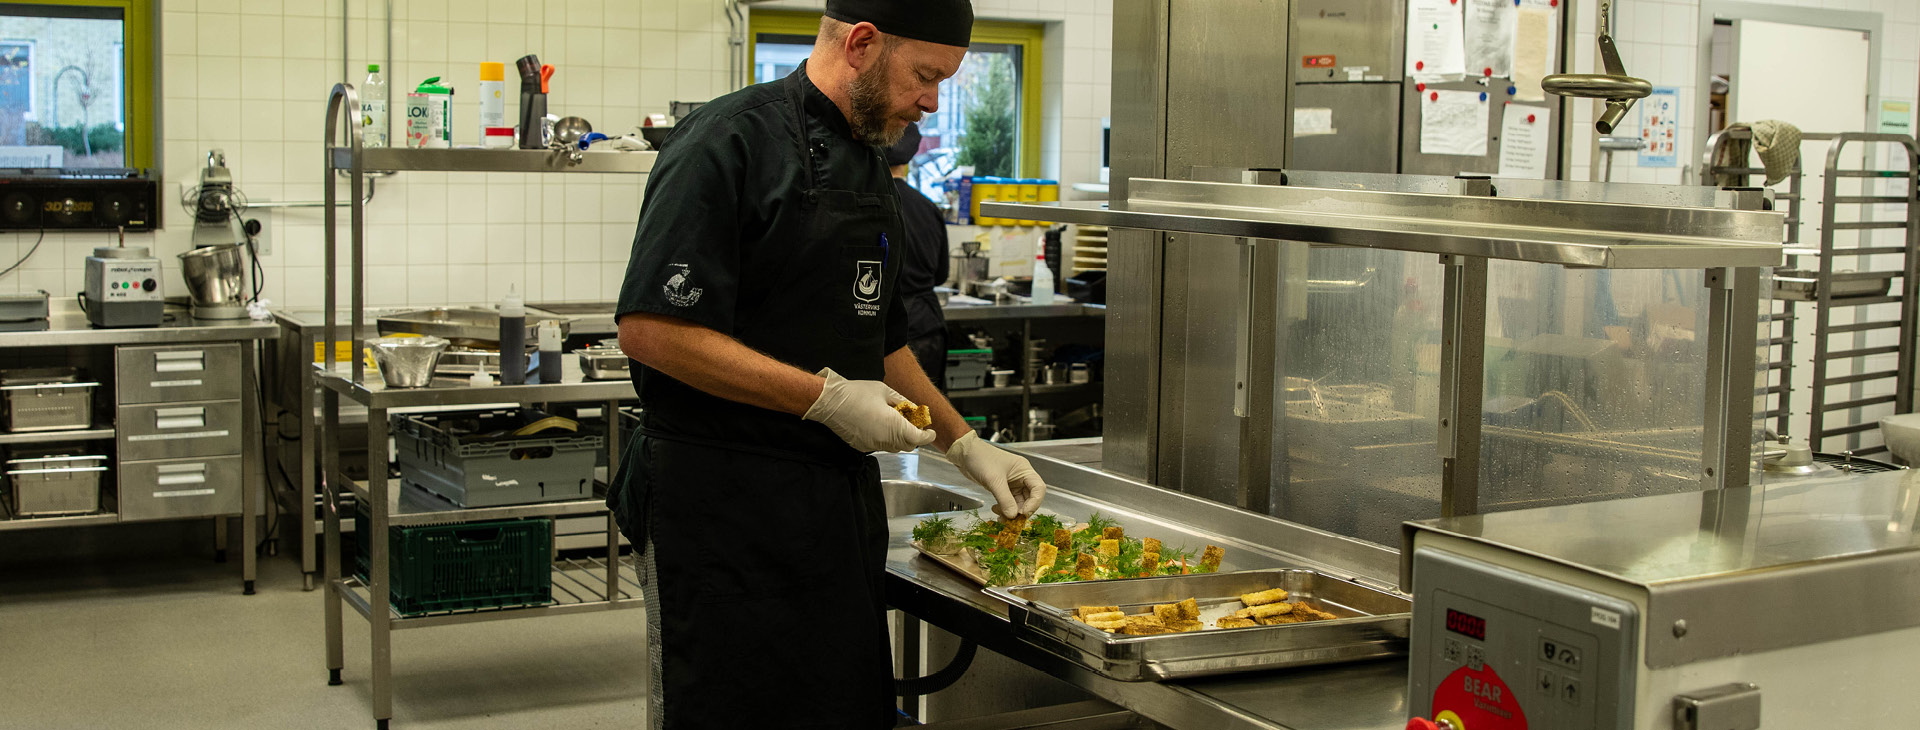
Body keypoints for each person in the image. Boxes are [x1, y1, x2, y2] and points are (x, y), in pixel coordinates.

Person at [607, 2, 1047, 728]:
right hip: (719, 510)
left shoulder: (872, 161)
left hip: (831, 511)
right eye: (926, 75)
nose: (934, 100)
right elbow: (654, 330)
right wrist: (825, 400)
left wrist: (964, 445)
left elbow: (881, 342)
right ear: (864, 43)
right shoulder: (725, 142)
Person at [886, 123, 951, 390]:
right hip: (927, 326)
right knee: (928, 419)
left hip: (886, 329)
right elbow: (941, 274)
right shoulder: (928, 207)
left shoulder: (867, 203)